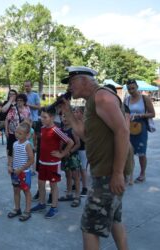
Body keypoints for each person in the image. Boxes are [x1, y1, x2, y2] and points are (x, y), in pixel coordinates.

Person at [59, 66, 133, 250]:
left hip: (109, 173)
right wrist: (68, 112)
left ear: (84, 80)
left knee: (89, 227)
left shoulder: (102, 97)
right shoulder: (93, 101)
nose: (69, 87)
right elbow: (85, 134)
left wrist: (117, 173)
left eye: (71, 82)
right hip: (106, 172)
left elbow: (123, 131)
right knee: (114, 218)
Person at [30, 107, 74, 218]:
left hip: (53, 164)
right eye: (41, 117)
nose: (42, 119)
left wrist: (62, 154)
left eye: (45, 117)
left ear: (52, 117)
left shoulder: (56, 130)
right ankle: (41, 203)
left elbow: (70, 142)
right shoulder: (43, 128)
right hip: (42, 162)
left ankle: (54, 208)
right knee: (41, 184)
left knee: (53, 186)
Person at [124, 79, 155, 183]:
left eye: (133, 88)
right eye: (129, 89)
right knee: (128, 152)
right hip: (129, 127)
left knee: (142, 152)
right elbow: (123, 113)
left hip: (141, 127)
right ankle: (129, 174)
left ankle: (142, 173)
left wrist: (139, 115)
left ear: (137, 87)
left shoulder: (144, 98)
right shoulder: (127, 100)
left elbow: (152, 114)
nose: (131, 90)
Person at [7, 122, 34, 221]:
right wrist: (10, 166)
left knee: (26, 191)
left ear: (27, 135)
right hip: (15, 172)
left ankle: (27, 211)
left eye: (20, 133)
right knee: (16, 190)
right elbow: (12, 157)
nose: (17, 135)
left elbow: (31, 160)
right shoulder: (15, 144)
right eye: (16, 132)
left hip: (24, 173)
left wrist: (21, 169)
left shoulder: (27, 145)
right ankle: (17, 208)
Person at [58, 113, 82, 207]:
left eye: (67, 117)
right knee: (68, 175)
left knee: (75, 177)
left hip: (73, 157)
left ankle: (77, 196)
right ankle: (69, 194)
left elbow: (78, 144)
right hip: (65, 156)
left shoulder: (73, 130)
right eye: (64, 116)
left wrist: (70, 151)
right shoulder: (61, 130)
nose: (65, 118)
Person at [5, 93, 31, 162]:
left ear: (24, 101)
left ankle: (19, 162)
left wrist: (28, 132)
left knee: (21, 149)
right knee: (11, 149)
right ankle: (11, 163)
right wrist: (6, 131)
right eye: (18, 100)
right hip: (13, 133)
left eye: (21, 100)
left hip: (23, 134)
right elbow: (7, 120)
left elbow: (28, 121)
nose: (19, 102)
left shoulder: (27, 109)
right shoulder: (13, 109)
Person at [73, 106, 89, 195]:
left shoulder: (85, 123)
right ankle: (76, 184)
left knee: (83, 168)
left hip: (83, 148)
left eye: (77, 112)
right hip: (76, 148)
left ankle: (85, 187)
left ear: (82, 114)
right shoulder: (74, 123)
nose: (75, 113)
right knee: (76, 168)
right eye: (75, 112)